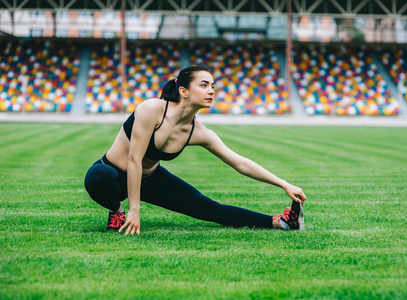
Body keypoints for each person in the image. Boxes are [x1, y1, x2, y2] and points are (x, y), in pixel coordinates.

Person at [84, 65, 306, 235]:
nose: (211, 91)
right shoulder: (151, 109)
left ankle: (280, 223)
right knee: (98, 176)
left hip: (149, 178)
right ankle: (116, 212)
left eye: (212, 86)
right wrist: (134, 210)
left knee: (209, 208)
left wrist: (284, 184)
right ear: (183, 90)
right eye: (204, 85)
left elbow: (240, 163)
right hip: (112, 172)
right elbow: (134, 159)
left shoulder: (199, 132)